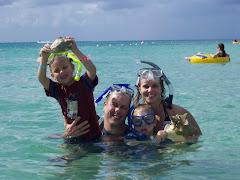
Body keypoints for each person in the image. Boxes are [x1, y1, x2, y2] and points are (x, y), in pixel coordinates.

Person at [37, 36, 101, 144]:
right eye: (57, 70)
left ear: (72, 67)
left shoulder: (83, 83)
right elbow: (41, 79)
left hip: (94, 137)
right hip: (72, 138)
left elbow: (92, 69)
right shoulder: (57, 90)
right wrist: (43, 60)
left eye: (64, 67)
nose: (61, 71)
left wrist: (75, 50)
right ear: (53, 76)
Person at [133, 61, 202, 140]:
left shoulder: (178, 113)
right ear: (139, 88)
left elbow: (199, 138)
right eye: (146, 86)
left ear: (162, 87)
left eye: (155, 86)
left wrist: (189, 143)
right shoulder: (137, 115)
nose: (150, 90)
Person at [61, 84, 134, 141]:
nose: (118, 110)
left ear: (128, 111)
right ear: (105, 105)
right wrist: (67, 136)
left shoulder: (133, 135)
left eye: (123, 107)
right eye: (114, 105)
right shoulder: (86, 130)